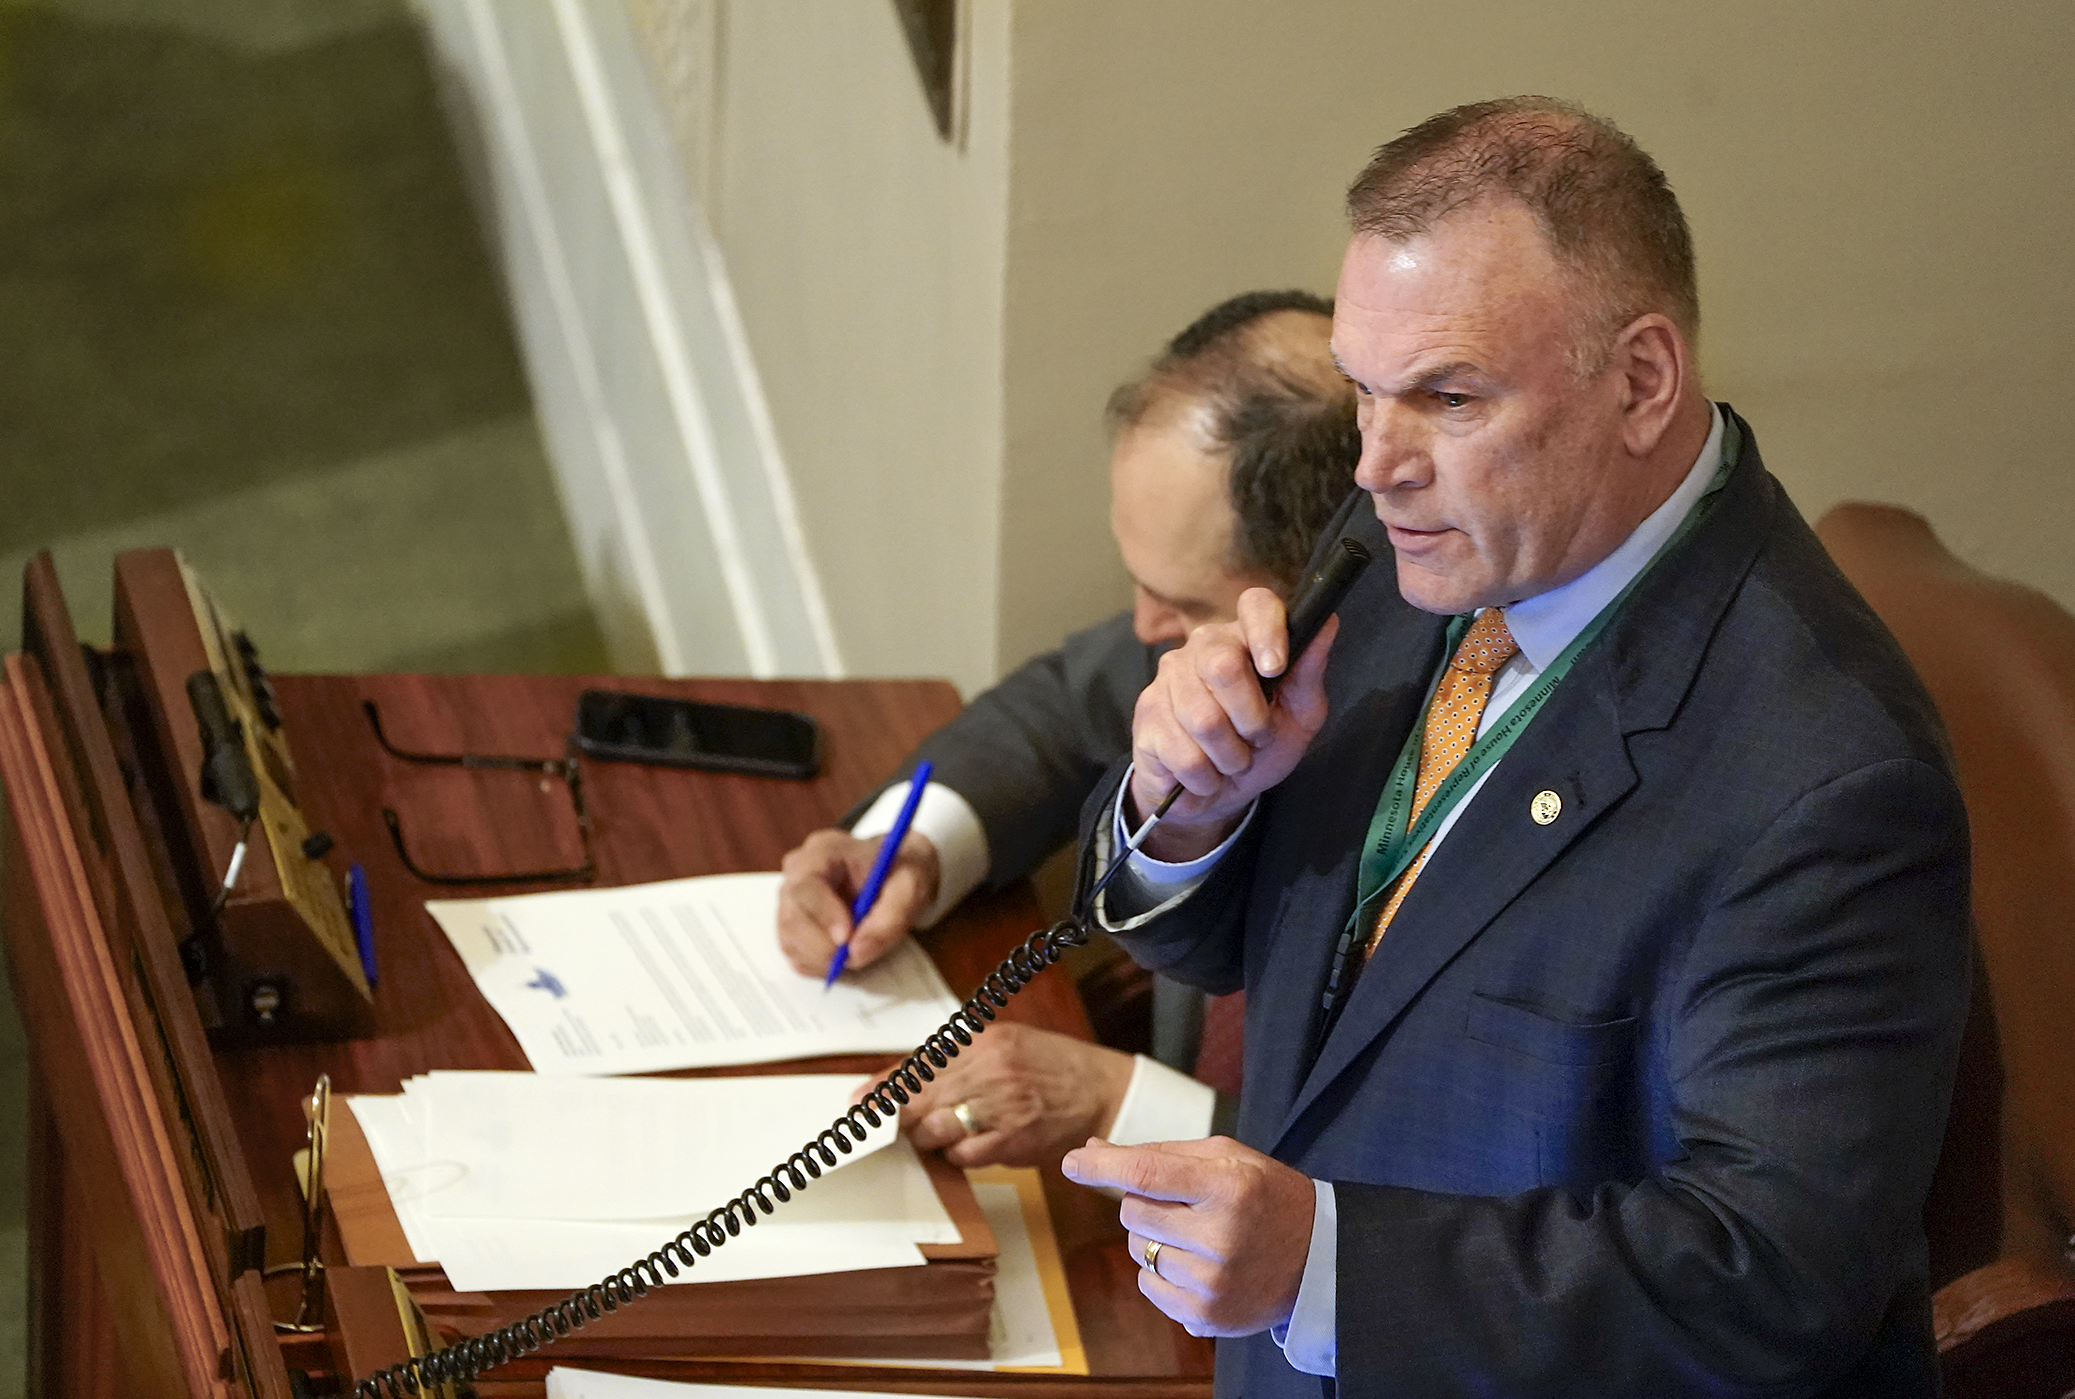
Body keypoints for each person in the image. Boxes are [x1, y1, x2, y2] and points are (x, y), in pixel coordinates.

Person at [1060, 98, 1971, 1397]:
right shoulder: (1414, 547)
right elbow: (1269, 960)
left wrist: (1324, 1268)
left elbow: (1772, 1281)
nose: (1377, 465)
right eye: (1366, 391)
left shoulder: (1828, 781)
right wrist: (1187, 802)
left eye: (1447, 395)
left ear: (1642, 380)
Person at [775, 291, 1360, 1167]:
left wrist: (1121, 1103)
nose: (1142, 626)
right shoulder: (1207, 630)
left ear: (1321, 583)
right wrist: (919, 846)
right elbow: (1059, 705)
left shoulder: (1453, 746)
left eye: (1182, 600)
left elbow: (1415, 1187)